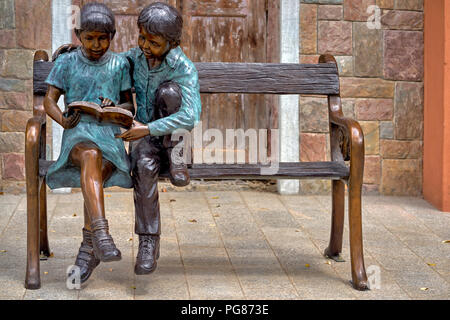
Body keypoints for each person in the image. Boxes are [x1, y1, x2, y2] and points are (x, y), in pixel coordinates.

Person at [44, 2, 134, 283]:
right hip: (78, 138)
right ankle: (101, 234)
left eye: (103, 38)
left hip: (110, 139)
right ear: (78, 35)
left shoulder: (120, 64)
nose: (97, 44)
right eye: (90, 38)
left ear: (113, 36)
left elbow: (130, 106)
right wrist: (62, 119)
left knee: (93, 165)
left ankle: (91, 243)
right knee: (89, 155)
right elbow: (49, 100)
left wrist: (115, 106)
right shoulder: (66, 62)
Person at [117, 2, 201, 275]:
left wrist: (148, 128)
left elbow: (190, 116)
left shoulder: (183, 67)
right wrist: (79, 53)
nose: (144, 45)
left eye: (152, 42)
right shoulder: (135, 58)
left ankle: (176, 158)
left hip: (170, 136)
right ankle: (148, 242)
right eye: (141, 37)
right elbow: (108, 61)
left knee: (170, 93)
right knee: (141, 166)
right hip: (147, 138)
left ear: (172, 42)